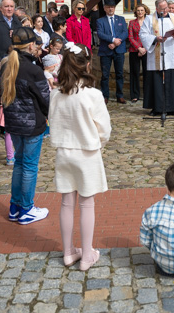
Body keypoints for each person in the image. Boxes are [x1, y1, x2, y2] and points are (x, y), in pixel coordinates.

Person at [49, 42, 111, 271]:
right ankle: (86, 255)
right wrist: (98, 143)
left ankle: (68, 252)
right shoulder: (92, 94)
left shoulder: (56, 94)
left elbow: (53, 122)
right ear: (87, 65)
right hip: (86, 152)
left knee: (66, 202)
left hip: (64, 151)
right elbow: (104, 129)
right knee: (86, 203)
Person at [0, 27, 51, 225]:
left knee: (19, 164)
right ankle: (27, 208)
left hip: (13, 122)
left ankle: (15, 207)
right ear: (31, 45)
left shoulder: (6, 65)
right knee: (29, 166)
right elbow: (45, 99)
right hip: (31, 123)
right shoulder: (33, 69)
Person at [139, 0, 174, 116]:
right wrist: (155, 39)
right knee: (156, 82)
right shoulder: (150, 19)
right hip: (156, 53)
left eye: (166, 8)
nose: (166, 10)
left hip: (171, 53)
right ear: (157, 8)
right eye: (163, 8)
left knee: (172, 81)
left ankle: (173, 107)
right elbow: (143, 34)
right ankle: (157, 107)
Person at [96, 0, 127, 104]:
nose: (110, 9)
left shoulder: (121, 19)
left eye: (112, 7)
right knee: (105, 75)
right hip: (106, 50)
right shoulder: (100, 21)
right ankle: (105, 96)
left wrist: (116, 42)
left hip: (119, 50)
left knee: (120, 73)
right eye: (108, 7)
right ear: (104, 8)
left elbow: (124, 32)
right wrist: (112, 40)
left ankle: (120, 95)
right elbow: (100, 34)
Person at [127, 4, 148, 103]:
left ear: (145, 11)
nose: (140, 12)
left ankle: (147, 94)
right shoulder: (132, 23)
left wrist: (144, 48)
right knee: (134, 73)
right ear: (136, 12)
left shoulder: (149, 22)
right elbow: (130, 37)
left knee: (147, 73)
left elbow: (151, 36)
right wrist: (139, 48)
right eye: (138, 10)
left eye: (142, 10)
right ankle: (134, 95)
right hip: (134, 50)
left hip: (147, 50)